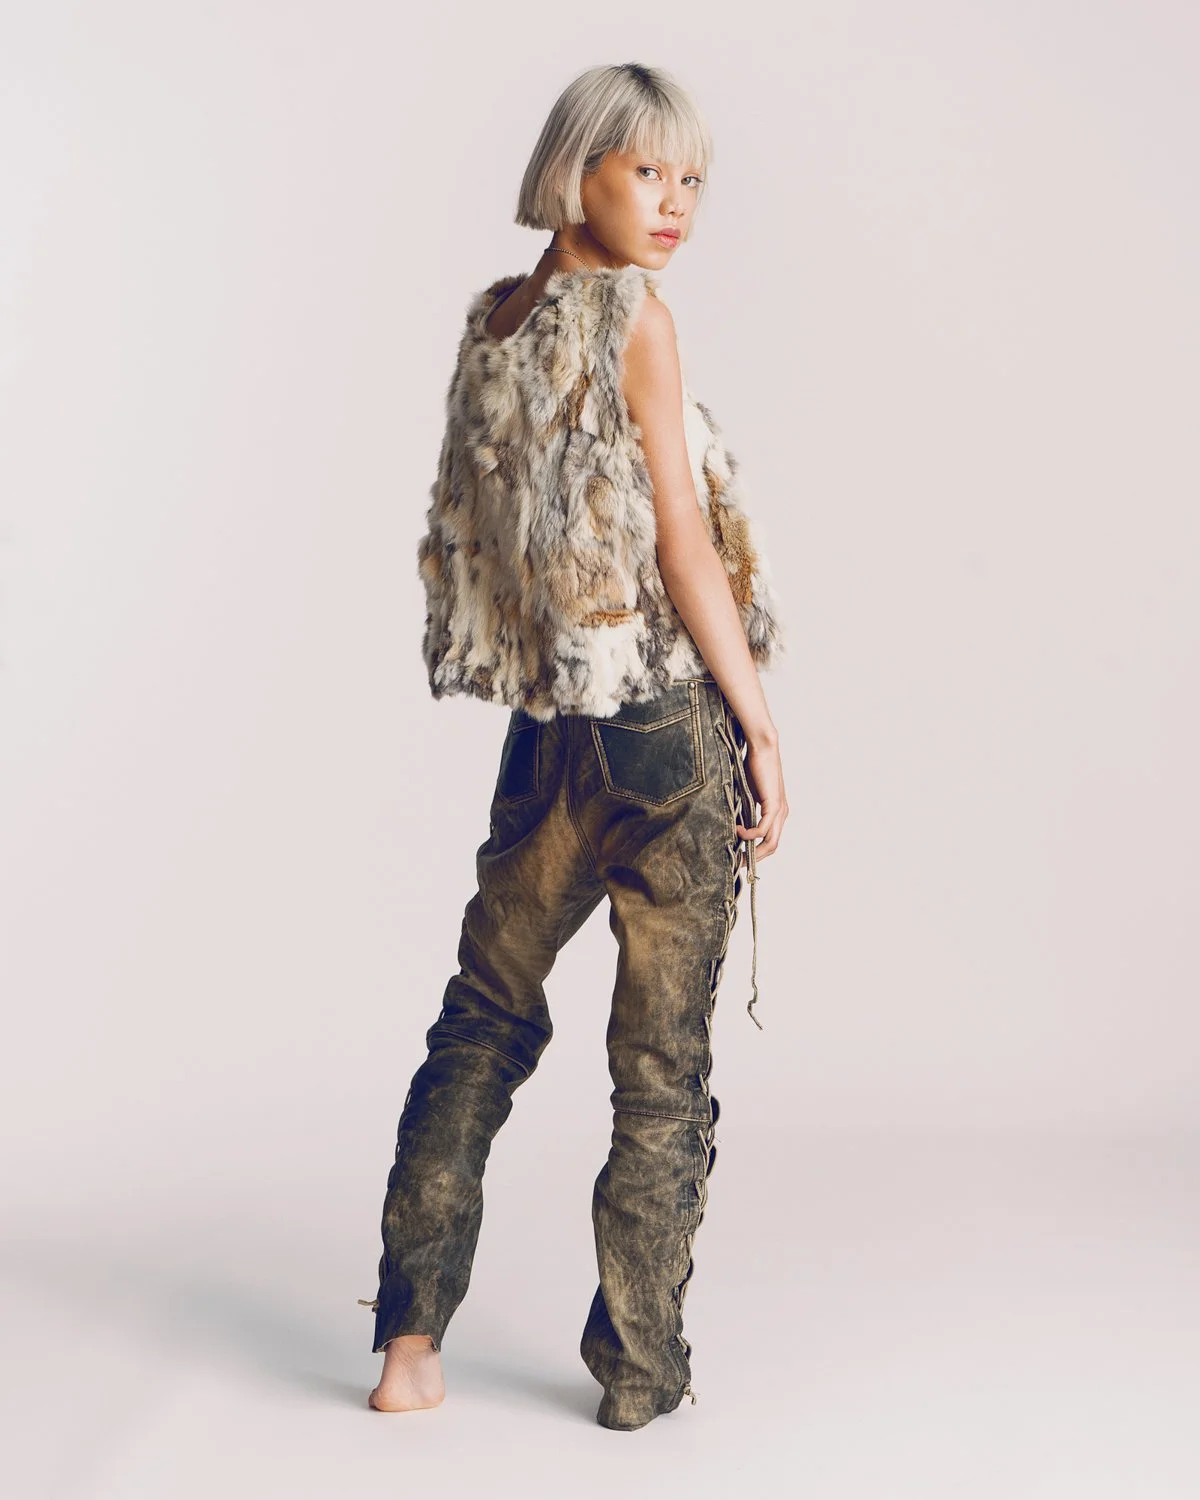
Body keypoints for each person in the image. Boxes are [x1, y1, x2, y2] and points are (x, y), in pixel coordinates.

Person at [359, 61, 790, 1431]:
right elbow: (682, 541)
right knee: (660, 1069)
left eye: (690, 179)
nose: (674, 204)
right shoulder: (635, 321)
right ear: (576, 170)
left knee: (481, 1024)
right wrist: (758, 726)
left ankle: (408, 1350)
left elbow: (493, 547)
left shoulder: (497, 322)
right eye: (645, 171)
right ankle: (638, 1377)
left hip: (546, 730)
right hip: (661, 723)